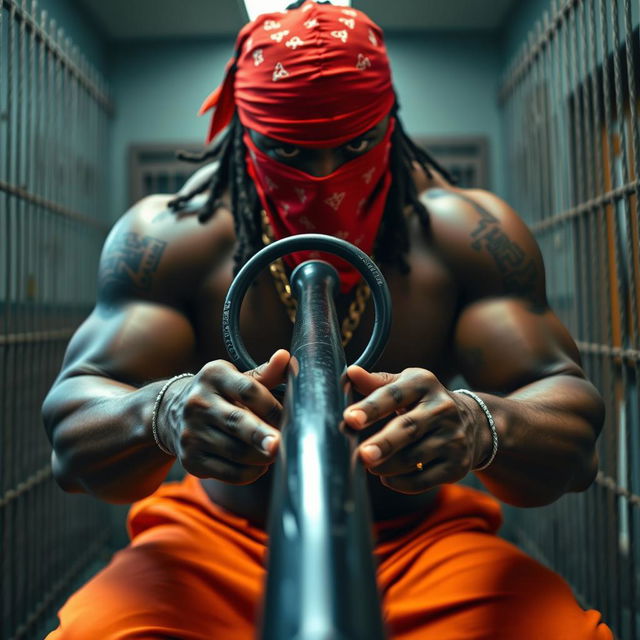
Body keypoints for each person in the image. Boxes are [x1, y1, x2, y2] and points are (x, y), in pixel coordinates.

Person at [43, 1, 612, 638]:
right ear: (243, 129)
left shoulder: (463, 233)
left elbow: (577, 435)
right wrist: (163, 410)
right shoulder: (173, 237)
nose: (324, 176)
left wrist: (481, 423)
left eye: (357, 145)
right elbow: (70, 436)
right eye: (287, 149)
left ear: (390, 122)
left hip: (419, 538)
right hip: (219, 537)